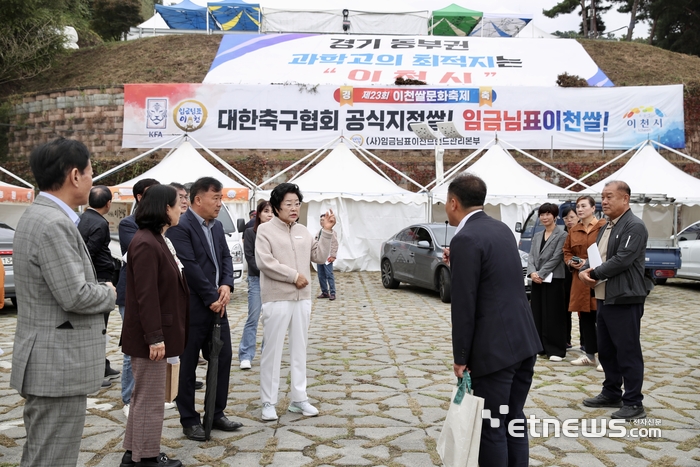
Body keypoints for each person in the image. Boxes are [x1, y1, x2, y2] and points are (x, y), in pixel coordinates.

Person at [10, 138, 116, 467]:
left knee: (44, 453)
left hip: (50, 359)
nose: (91, 180)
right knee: (53, 457)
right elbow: (75, 295)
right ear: (74, 176)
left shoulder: (41, 215)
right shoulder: (54, 224)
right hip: (57, 364)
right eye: (90, 172)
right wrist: (109, 292)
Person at [444, 173, 541, 467]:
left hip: (494, 350)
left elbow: (464, 305)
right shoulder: (500, 230)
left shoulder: (466, 237)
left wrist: (460, 358)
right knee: (513, 419)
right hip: (524, 340)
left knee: (492, 427)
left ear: (453, 202)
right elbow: (495, 278)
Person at [166, 177, 243, 441]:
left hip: (217, 306)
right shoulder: (181, 227)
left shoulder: (218, 227)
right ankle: (189, 419)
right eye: (216, 198)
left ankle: (216, 412)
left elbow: (224, 258)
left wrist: (226, 285)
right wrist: (211, 296)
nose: (220, 203)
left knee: (222, 359)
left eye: (221, 198)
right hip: (191, 308)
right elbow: (189, 267)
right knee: (187, 366)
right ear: (198, 199)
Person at [255, 183, 335, 422]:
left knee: (299, 349)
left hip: (303, 299)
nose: (293, 208)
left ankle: (299, 399)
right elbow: (264, 262)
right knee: (273, 350)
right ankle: (268, 401)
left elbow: (319, 256)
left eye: (297, 204)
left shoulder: (304, 230)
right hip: (277, 297)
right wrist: (293, 276)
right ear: (277, 206)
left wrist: (327, 231)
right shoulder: (265, 231)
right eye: (288, 204)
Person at [121, 185, 188, 467]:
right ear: (164, 209)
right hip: (150, 337)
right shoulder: (147, 242)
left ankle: (132, 453)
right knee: (149, 400)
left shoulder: (156, 238)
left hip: (154, 333)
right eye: (177, 204)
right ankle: (146, 458)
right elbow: (146, 296)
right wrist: (155, 337)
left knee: (142, 397)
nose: (180, 209)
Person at [579, 181, 648, 420]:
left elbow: (622, 260)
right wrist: (583, 271)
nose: (604, 202)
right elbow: (597, 256)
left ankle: (634, 402)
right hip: (605, 297)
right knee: (606, 350)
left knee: (627, 351)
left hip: (625, 298)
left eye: (609, 197)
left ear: (625, 199)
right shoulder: (607, 226)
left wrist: (594, 274)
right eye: (603, 197)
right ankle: (611, 392)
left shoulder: (634, 226)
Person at [117, 178, 161, 418]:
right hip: (130, 294)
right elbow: (135, 250)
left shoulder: (161, 225)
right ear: (139, 198)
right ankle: (128, 397)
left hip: (154, 293)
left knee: (151, 348)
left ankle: (147, 395)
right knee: (132, 346)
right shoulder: (128, 223)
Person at [78, 185, 120, 387]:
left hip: (93, 276)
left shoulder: (83, 218)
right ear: (108, 203)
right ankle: (95, 372)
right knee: (98, 327)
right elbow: (90, 252)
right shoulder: (100, 223)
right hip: (100, 278)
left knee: (98, 326)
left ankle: (103, 365)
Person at [563, 196, 607, 368]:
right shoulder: (574, 230)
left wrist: (588, 263)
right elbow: (566, 251)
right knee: (585, 318)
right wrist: (570, 262)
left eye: (583, 206)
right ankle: (589, 354)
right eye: (577, 206)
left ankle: (605, 357)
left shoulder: (603, 227)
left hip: (599, 277)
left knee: (602, 318)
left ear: (592, 208)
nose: (579, 209)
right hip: (580, 279)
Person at [527, 203, 568, 362]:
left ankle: (556, 349)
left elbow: (557, 257)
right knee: (537, 313)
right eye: (542, 214)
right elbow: (530, 256)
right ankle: (540, 346)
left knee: (554, 314)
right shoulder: (537, 235)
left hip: (554, 279)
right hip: (537, 279)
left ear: (555, 216)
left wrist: (542, 273)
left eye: (548, 214)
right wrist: (532, 272)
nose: (544, 217)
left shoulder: (562, 234)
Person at [238, 200, 274, 370]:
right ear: (259, 213)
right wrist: (268, 270)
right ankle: (246, 355)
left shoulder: (278, 234)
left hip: (275, 281)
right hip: (256, 279)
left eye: (273, 212)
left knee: (271, 318)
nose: (270, 215)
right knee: (253, 317)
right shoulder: (250, 233)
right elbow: (250, 258)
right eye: (266, 211)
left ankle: (268, 354)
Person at [560, 205, 579, 352]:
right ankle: (566, 339)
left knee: (583, 308)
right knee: (565, 308)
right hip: (565, 274)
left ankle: (586, 341)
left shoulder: (581, 232)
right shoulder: (562, 234)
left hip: (580, 273)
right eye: (566, 218)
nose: (569, 220)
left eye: (572, 217)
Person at [316, 213, 339, 301]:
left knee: (329, 274)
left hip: (327, 257)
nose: (322, 222)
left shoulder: (331, 232)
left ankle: (332, 292)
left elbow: (334, 244)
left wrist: (333, 255)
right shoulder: (319, 232)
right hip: (320, 256)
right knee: (321, 275)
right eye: (321, 220)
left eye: (323, 220)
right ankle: (324, 292)